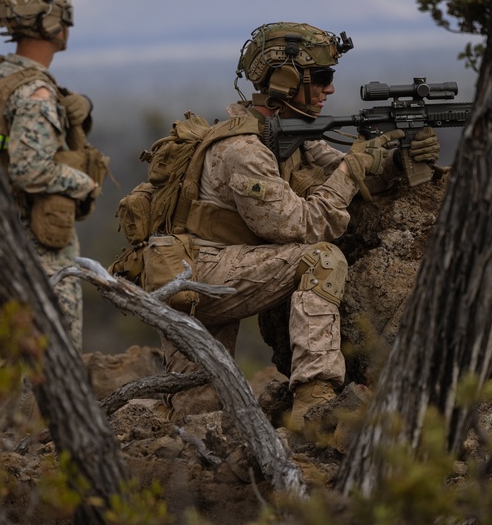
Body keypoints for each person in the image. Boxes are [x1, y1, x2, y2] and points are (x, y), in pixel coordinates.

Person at [163, 22, 440, 430]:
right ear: (285, 81)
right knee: (322, 258)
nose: (330, 89)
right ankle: (315, 404)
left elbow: (344, 177)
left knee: (199, 420)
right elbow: (307, 225)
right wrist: (353, 166)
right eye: (323, 79)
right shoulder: (243, 149)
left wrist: (396, 161)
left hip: (221, 268)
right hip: (200, 277)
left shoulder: (293, 135)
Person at [0, 0, 107, 348]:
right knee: (50, 358)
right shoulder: (35, 92)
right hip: (37, 249)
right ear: (53, 23)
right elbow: (29, 169)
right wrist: (84, 183)